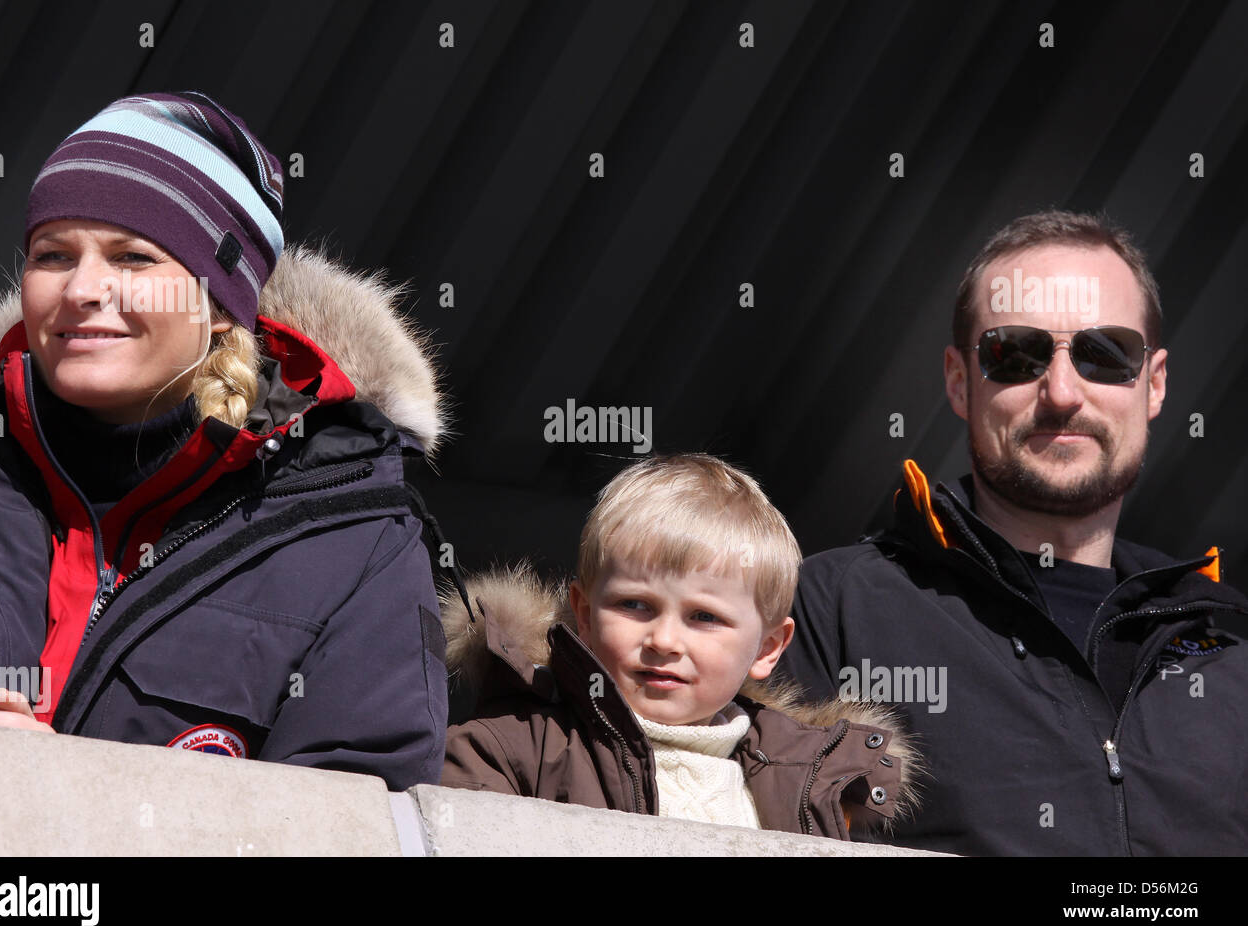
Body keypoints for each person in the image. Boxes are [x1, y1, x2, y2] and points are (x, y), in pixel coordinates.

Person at [0, 92, 448, 788]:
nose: (83, 288)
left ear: (217, 305)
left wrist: (59, 805)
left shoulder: (356, 538)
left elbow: (349, 818)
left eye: (133, 257)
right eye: (52, 254)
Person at [778, 209, 1248, 855]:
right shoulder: (828, 611)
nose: (1061, 392)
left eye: (1105, 354)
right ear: (957, 380)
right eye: (1015, 354)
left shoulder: (1228, 660)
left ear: (1155, 384)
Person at [441, 454, 917, 839]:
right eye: (635, 605)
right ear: (583, 615)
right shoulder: (504, 752)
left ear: (768, 648)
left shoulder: (817, 784)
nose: (664, 641)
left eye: (704, 617)